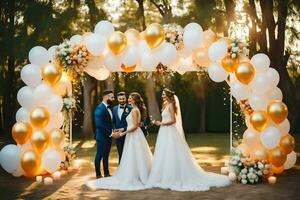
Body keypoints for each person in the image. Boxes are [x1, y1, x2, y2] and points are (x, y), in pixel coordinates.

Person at [146, 88, 231, 191]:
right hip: (164, 132)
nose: (162, 96)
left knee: (172, 152)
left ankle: (174, 176)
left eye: (164, 94)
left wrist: (161, 123)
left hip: (170, 131)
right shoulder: (164, 105)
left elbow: (173, 120)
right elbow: (166, 118)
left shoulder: (171, 105)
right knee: (163, 152)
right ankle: (163, 175)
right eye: (162, 94)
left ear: (168, 95)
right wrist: (158, 122)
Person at [86, 92, 153, 191]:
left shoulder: (132, 109)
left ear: (132, 100)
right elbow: (107, 123)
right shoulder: (109, 109)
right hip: (112, 135)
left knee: (132, 155)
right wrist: (115, 131)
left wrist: (123, 131)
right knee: (112, 155)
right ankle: (101, 174)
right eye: (119, 98)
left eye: (128, 98)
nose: (124, 100)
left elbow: (136, 124)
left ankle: (131, 174)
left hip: (129, 135)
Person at [93, 90, 120, 178]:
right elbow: (99, 125)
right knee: (99, 155)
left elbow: (109, 122)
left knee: (106, 155)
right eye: (111, 97)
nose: (113, 99)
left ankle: (106, 173)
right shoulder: (99, 108)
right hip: (101, 136)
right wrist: (111, 134)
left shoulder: (109, 108)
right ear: (106, 97)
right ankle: (98, 174)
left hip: (108, 136)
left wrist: (114, 130)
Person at [112, 92, 132, 163]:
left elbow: (132, 123)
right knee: (120, 153)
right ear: (117, 99)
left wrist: (124, 129)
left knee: (129, 153)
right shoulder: (114, 109)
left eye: (123, 98)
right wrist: (114, 129)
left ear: (126, 98)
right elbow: (113, 121)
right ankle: (121, 170)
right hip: (118, 136)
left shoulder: (130, 108)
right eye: (120, 99)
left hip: (128, 134)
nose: (122, 100)